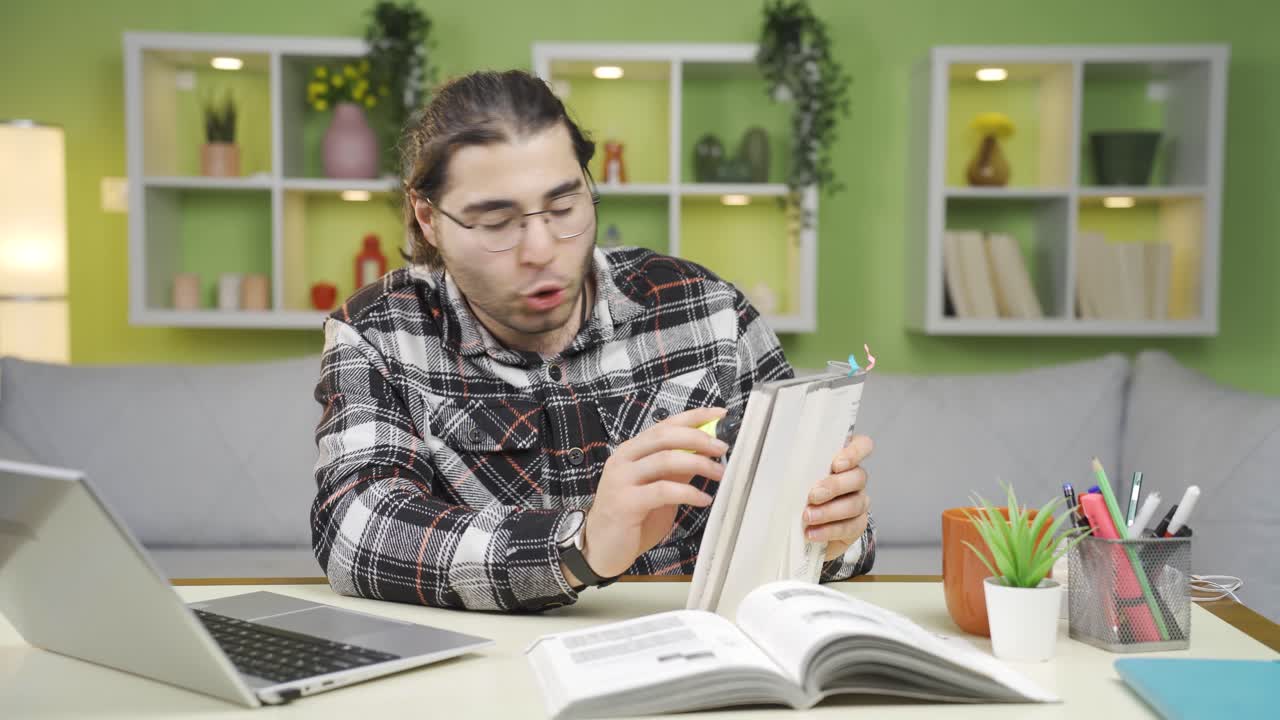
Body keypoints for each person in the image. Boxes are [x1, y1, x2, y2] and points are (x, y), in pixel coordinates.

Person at [311, 69, 875, 612]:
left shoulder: (708, 310)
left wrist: (831, 533)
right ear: (428, 217)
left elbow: (829, 529)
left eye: (563, 207)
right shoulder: (377, 332)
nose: (541, 248)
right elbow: (356, 530)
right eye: (497, 221)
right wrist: (576, 547)